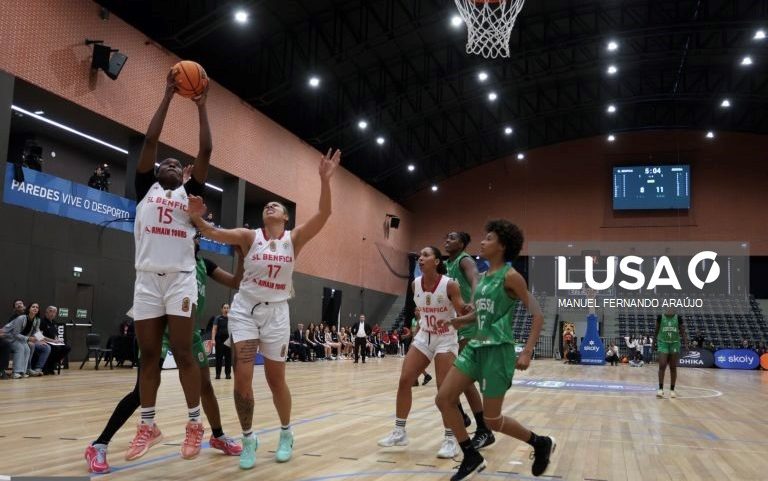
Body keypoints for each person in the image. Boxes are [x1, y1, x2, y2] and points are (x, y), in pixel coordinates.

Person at [186, 147, 340, 468]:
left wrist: (325, 180)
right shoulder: (247, 236)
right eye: (267, 204)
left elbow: (324, 215)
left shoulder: (293, 240)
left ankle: (286, 432)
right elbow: (211, 232)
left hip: (277, 313)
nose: (271, 205)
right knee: (242, 378)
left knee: (274, 380)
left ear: (284, 218)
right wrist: (193, 209)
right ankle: (248, 438)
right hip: (245, 309)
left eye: (278, 205)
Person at [84, 244, 244, 474]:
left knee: (205, 386)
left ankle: (218, 436)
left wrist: (240, 256)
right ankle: (99, 444)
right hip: (158, 329)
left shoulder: (203, 264)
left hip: (189, 331)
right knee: (140, 392)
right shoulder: (165, 260)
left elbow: (236, 281)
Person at [128, 69, 212, 460]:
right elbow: (150, 140)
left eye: (180, 165)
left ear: (185, 177)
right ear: (156, 171)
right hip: (146, 280)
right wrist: (166, 95)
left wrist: (202, 107)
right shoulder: (145, 188)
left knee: (182, 352)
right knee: (147, 356)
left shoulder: (189, 195)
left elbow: (206, 152)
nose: (173, 165)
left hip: (179, 280)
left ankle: (194, 424)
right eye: (168, 163)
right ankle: (148, 425)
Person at [435, 220, 555, 480]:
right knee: (443, 399)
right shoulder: (486, 276)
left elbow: (537, 314)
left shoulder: (511, 276)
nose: (483, 242)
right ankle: (471, 456)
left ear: (502, 245)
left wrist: (527, 351)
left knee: (492, 420)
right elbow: (482, 312)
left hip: (497, 351)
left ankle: (539, 442)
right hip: (475, 347)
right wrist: (461, 320)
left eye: (488, 238)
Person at [378, 246, 469, 458]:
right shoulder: (415, 284)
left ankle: (450, 439)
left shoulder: (450, 284)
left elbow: (461, 310)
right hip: (425, 336)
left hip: (446, 338)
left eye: (426, 255)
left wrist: (467, 313)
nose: (421, 258)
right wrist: (417, 326)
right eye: (419, 256)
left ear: (437, 261)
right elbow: (420, 311)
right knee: (405, 380)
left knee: (443, 390)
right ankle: (400, 431)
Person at [444, 231, 489, 446]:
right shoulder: (448, 264)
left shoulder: (464, 260)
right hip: (456, 325)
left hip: (468, 325)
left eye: (452, 238)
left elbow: (476, 279)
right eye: (446, 237)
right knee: (457, 374)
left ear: (462, 244)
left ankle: (483, 427)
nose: (447, 240)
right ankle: (465, 416)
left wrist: (473, 300)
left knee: (465, 376)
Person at [655, 308, 687, 399]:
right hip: (663, 343)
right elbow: (656, 331)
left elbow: (682, 331)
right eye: (667, 309)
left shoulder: (678, 318)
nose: (669, 310)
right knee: (662, 364)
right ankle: (660, 389)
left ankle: (672, 390)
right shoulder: (660, 317)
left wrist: (686, 343)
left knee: (673, 367)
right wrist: (653, 343)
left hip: (675, 343)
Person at [39, 306, 71, 374]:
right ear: (46, 312)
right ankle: (47, 367)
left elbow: (55, 335)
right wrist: (53, 341)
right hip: (44, 342)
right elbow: (40, 336)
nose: (52, 313)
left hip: (53, 342)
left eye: (54, 312)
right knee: (53, 348)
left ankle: (53, 364)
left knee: (67, 347)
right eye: (50, 311)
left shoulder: (54, 322)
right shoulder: (41, 321)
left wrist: (57, 340)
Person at [22, 303, 50, 376]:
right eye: (33, 307)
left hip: (31, 339)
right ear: (29, 309)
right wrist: (29, 339)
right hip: (22, 339)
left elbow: (37, 331)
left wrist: (41, 340)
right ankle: (28, 369)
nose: (35, 308)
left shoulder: (37, 319)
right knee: (31, 345)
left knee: (46, 347)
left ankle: (38, 369)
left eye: (37, 307)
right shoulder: (23, 318)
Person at [211, 303, 232, 379]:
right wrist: (213, 339)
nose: (226, 309)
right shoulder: (218, 318)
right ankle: (218, 374)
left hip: (228, 341)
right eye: (224, 308)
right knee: (218, 358)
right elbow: (214, 329)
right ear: (222, 309)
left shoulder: (231, 319)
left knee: (228, 359)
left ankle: (228, 374)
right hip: (219, 340)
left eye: (227, 308)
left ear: (229, 309)